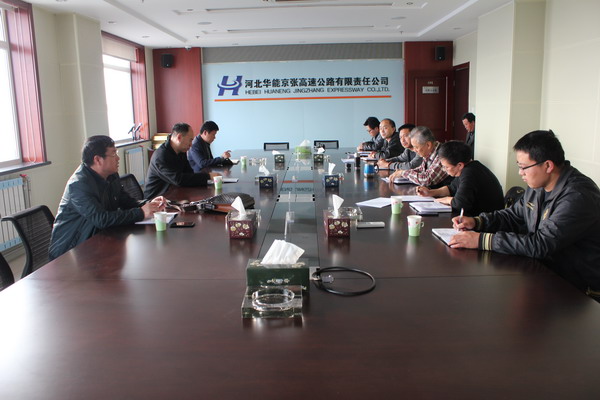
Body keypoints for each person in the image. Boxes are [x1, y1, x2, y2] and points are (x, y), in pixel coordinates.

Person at [450, 130, 600, 300]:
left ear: (548, 166)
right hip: (545, 272)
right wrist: (477, 222)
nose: (520, 173)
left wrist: (481, 240)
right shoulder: (538, 186)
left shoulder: (577, 196)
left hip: (579, 290)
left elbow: (540, 244)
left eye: (523, 167)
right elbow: (514, 215)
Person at [49, 135, 165, 260]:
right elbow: (101, 219)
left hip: (99, 240)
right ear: (98, 159)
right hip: (71, 253)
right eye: (114, 154)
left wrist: (149, 204)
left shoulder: (111, 175)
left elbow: (126, 201)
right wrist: (141, 212)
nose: (118, 158)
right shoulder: (79, 185)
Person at [415, 141, 504, 216]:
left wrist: (446, 200)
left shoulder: (470, 173)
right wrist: (430, 192)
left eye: (446, 167)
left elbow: (460, 204)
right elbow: (452, 188)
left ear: (460, 165)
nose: (444, 170)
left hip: (486, 222)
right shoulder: (469, 167)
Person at [144, 122, 220, 199]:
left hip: (174, 193)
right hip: (156, 199)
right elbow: (178, 180)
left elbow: (189, 173)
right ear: (179, 137)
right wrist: (208, 176)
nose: (191, 145)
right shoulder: (161, 156)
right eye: (190, 140)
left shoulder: (181, 151)